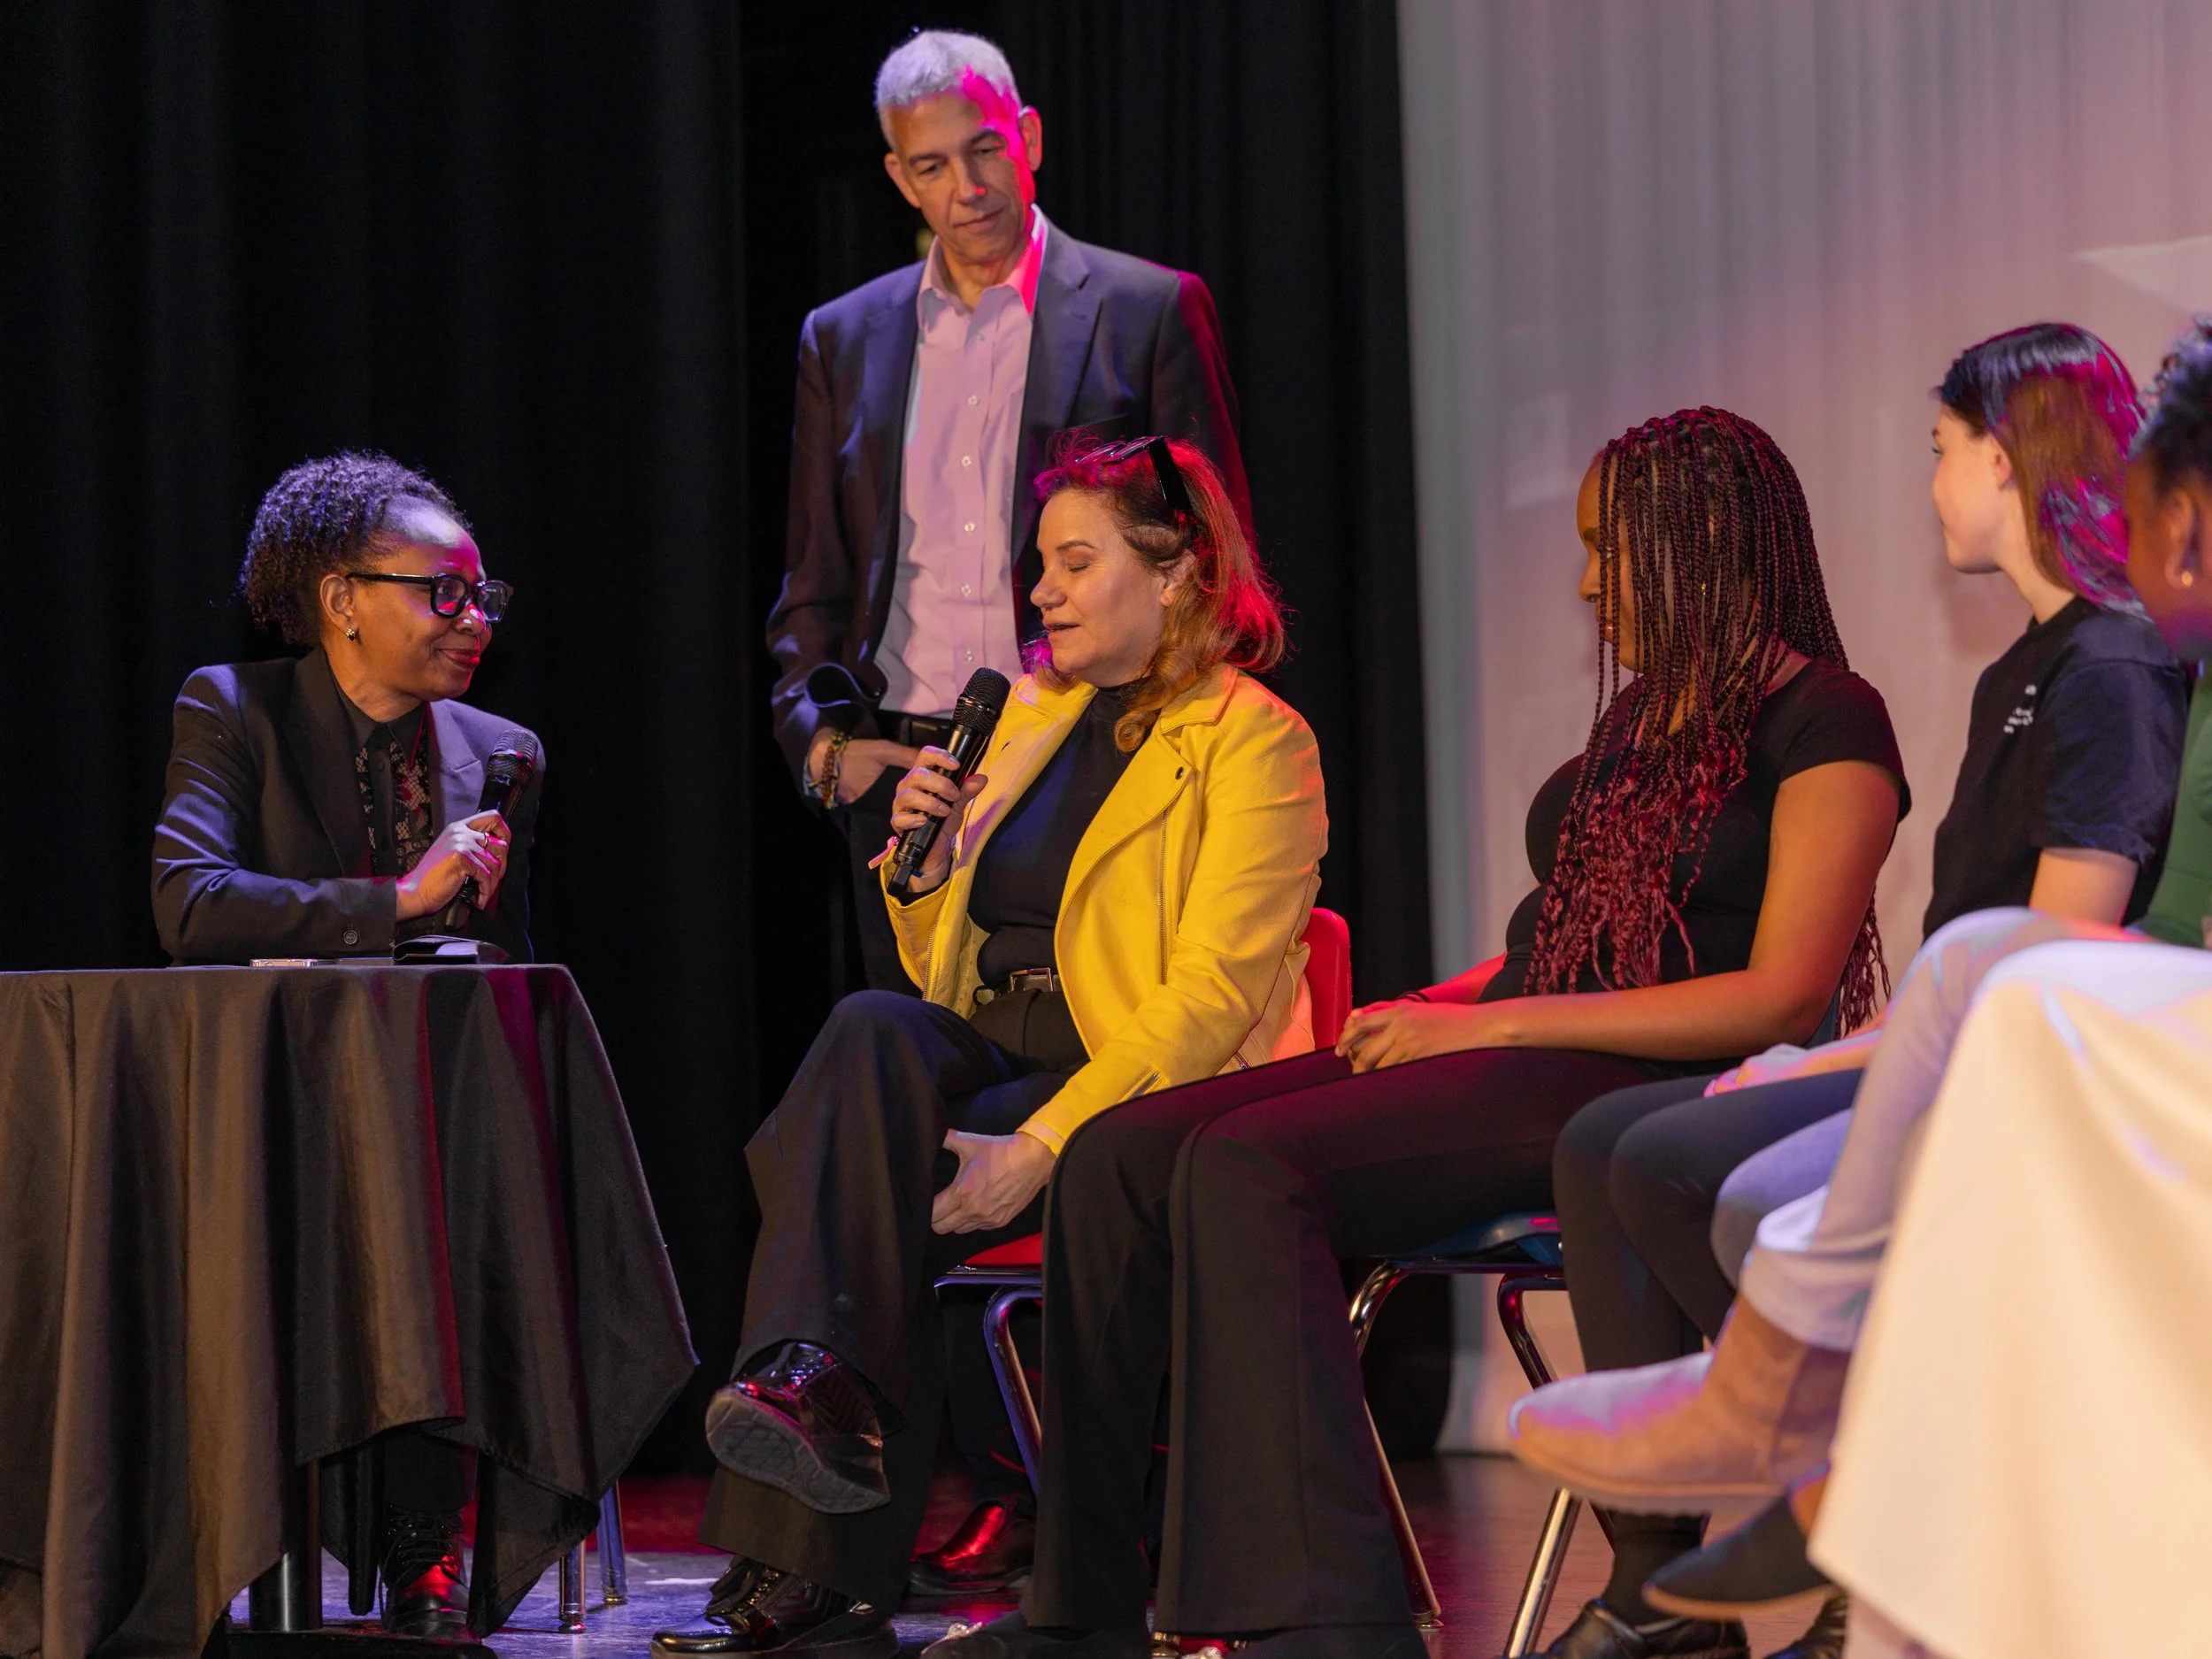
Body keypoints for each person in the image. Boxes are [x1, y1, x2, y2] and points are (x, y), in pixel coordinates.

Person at [928, 406, 1909, 1659]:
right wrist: (1447, 1006)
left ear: (1697, 541)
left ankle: (1331, 1613)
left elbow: (1780, 993)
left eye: (1610, 547)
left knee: (1248, 1162)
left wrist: (1491, 1029)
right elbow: (1571, 936)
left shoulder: (1828, 717)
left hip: (1661, 1082)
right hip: (1532, 1050)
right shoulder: (1646, 717)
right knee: (1121, 1149)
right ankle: (1083, 1607)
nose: (1590, 579)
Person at [1510, 317, 2212, 1651]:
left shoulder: (2112, 662)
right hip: (2002, 1034)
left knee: (1689, 1167)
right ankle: (1769, 1516)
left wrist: (1823, 1052)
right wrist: (1824, 1057)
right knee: (1644, 1148)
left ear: (2006, 461)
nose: (1929, 480)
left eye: (1943, 450)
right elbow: (1984, 945)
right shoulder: (2034, 665)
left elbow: (2053, 955)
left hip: (2060, 1058)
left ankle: (1841, 1473)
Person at [651, 435, 1323, 1659]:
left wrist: (1044, 1140)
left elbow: (1214, 996)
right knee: (868, 1032)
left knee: (848, 1164)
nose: (1044, 591)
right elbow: (935, 978)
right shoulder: (1030, 714)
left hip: (1141, 1079)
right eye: (1042, 566)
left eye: (1075, 562)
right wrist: (920, 864)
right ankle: (815, 1381)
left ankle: (809, 1554)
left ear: (1175, 572)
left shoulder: (1253, 741)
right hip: (998, 1045)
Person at [769, 29, 1249, 999]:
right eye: (935, 165)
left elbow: (1212, 555)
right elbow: (813, 583)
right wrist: (824, 748)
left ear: (1027, 138)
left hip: (1084, 743)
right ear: (901, 179)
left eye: (985, 149)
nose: (968, 186)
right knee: (909, 1067)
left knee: (1079, 1055)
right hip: (902, 762)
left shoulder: (1146, 307)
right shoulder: (844, 336)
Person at [150, 452, 538, 1637]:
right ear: (340, 600)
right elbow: (191, 903)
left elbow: (505, 976)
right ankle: (223, 1528)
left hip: (424, 1114)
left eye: (481, 597)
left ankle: (424, 1534)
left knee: (431, 1182)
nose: (470, 622)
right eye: (441, 593)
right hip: (263, 1103)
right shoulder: (233, 708)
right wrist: (397, 900)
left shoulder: (499, 745)